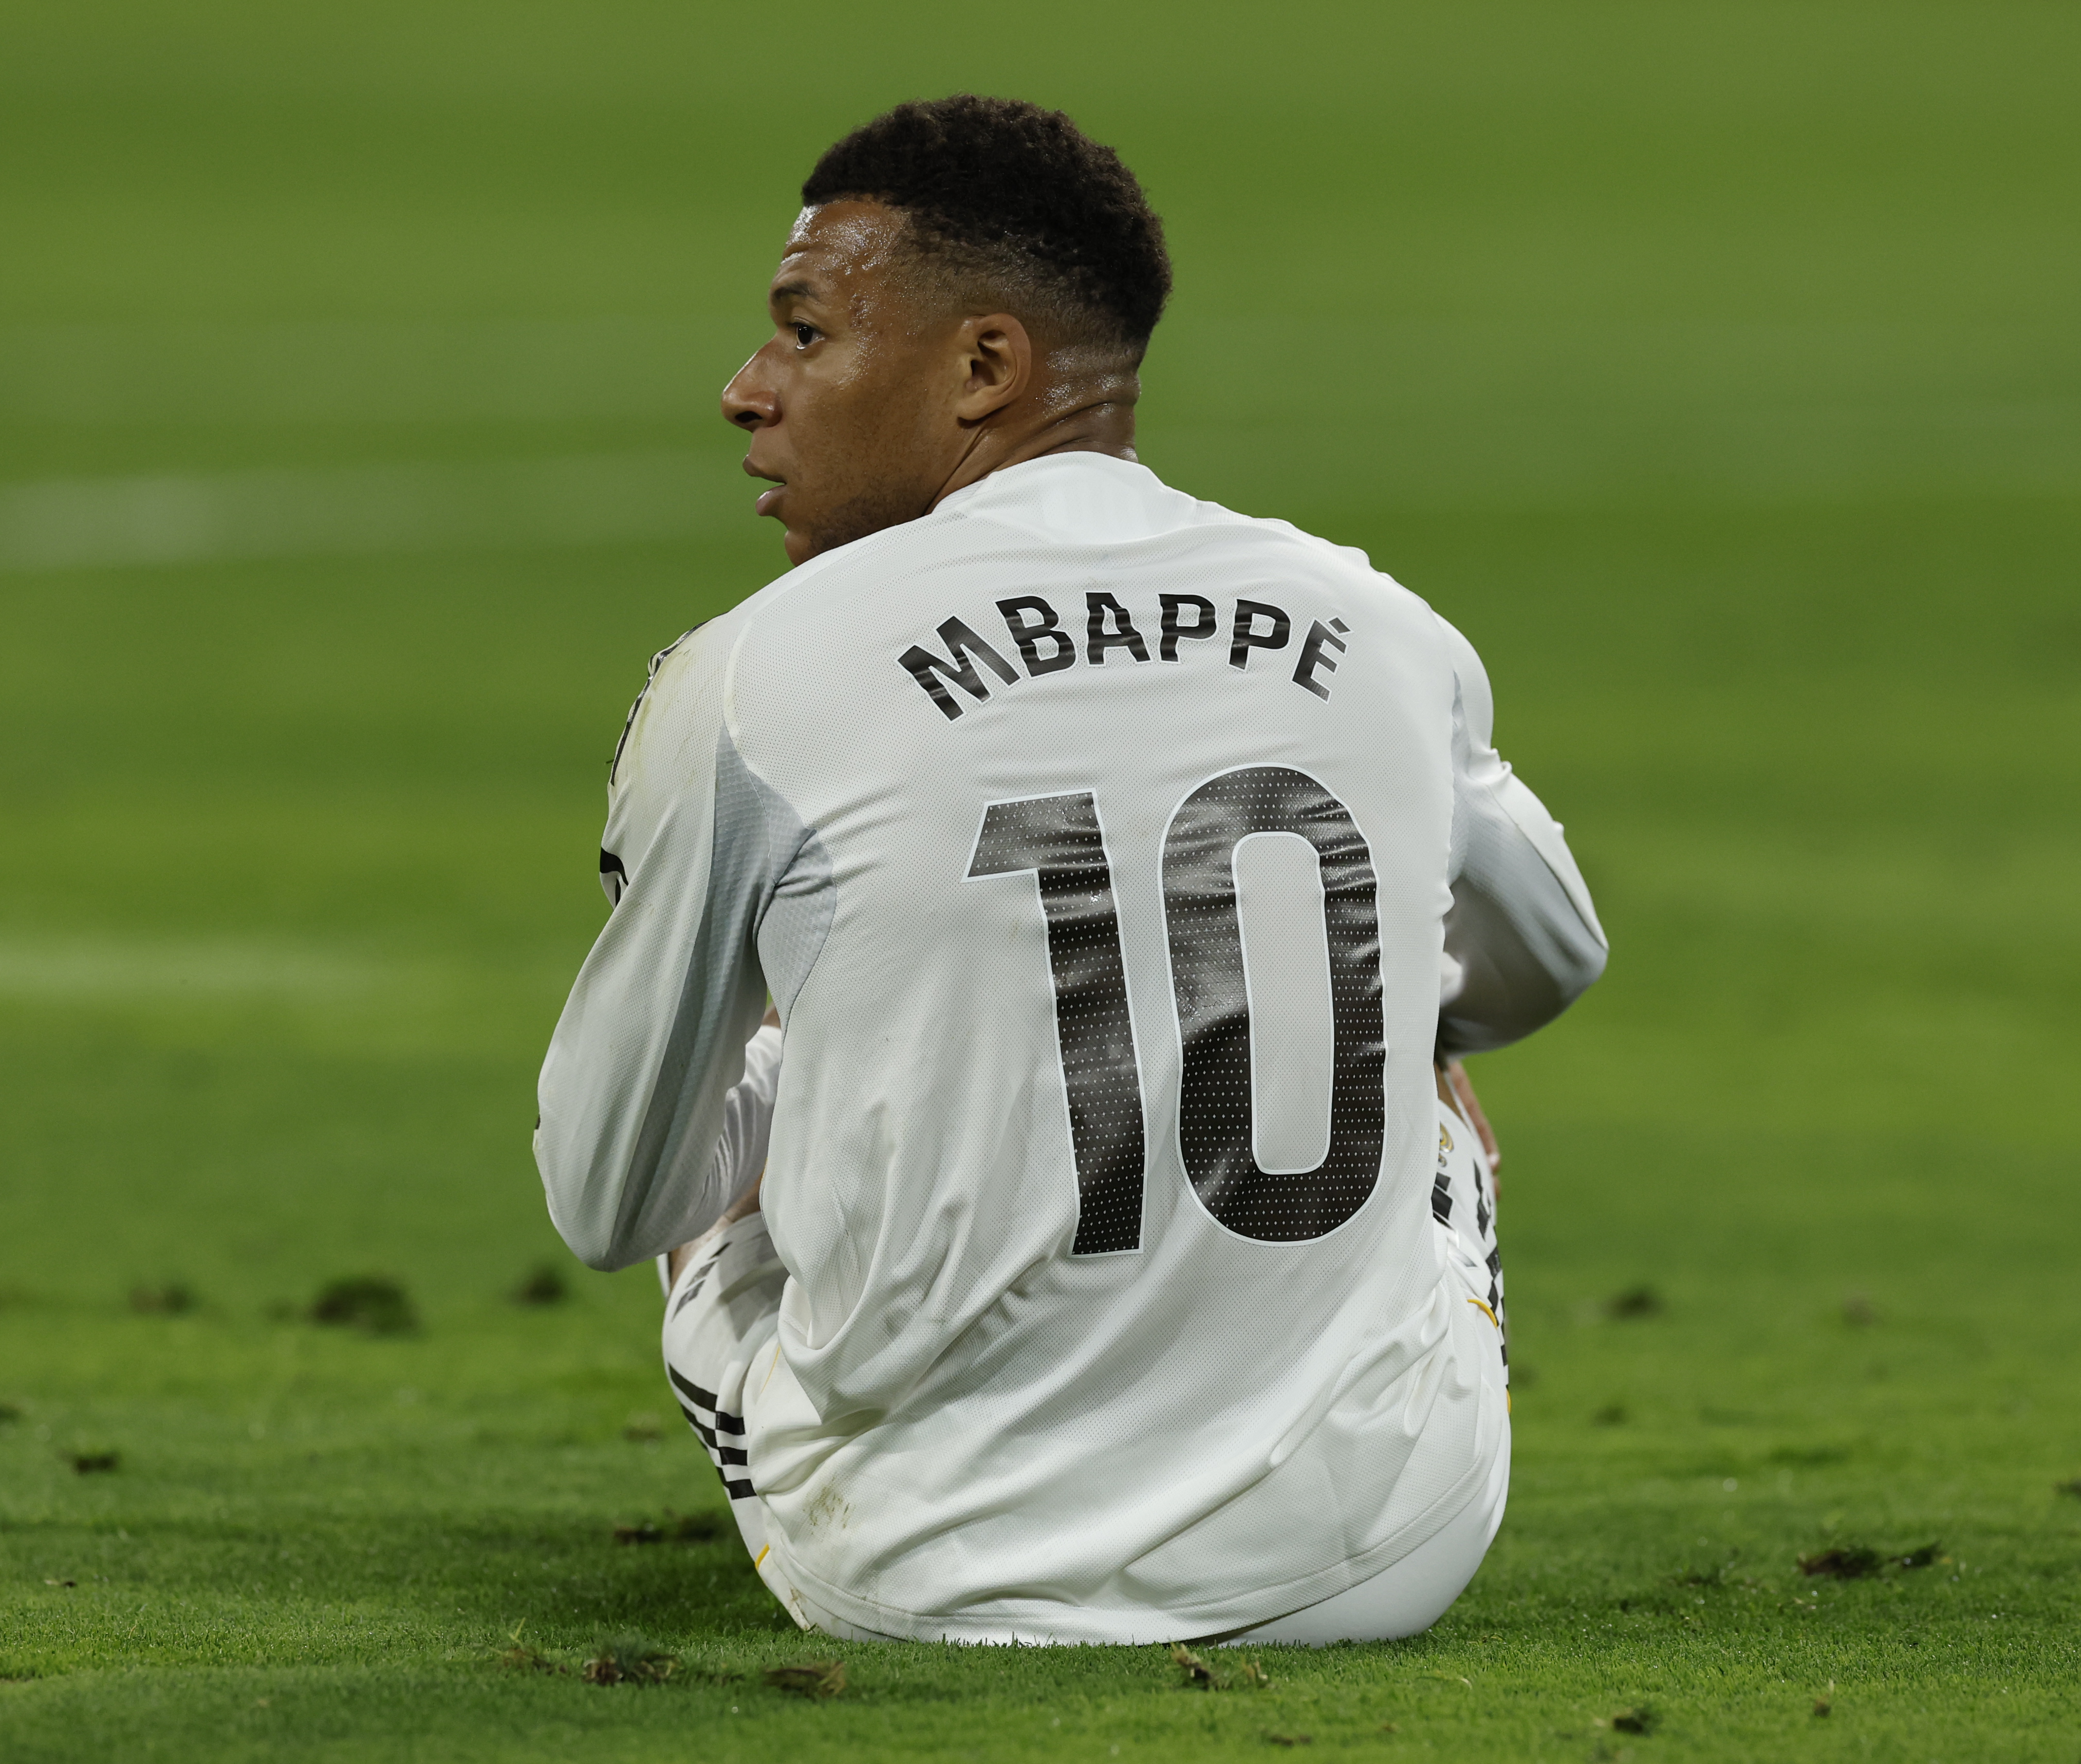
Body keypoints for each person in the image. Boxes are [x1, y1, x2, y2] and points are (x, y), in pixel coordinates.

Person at [533, 96, 1606, 1645]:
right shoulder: (1377, 626)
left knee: (735, 1088)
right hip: (1382, 1559)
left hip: (924, 1582)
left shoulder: (753, 677)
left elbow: (606, 1195)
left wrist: (804, 1057)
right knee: (1415, 1062)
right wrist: (1345, 1006)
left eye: (805, 332)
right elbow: (1551, 954)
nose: (746, 389)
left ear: (985, 366)